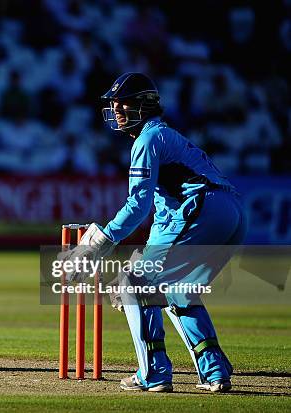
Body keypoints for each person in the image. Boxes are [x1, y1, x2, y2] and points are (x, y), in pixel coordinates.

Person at [65, 72, 246, 392]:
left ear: (144, 105)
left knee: (134, 284)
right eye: (114, 105)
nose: (117, 110)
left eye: (123, 104)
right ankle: (214, 370)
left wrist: (100, 242)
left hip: (201, 208)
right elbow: (164, 217)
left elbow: (138, 204)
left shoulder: (149, 139)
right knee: (179, 292)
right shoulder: (164, 137)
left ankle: (154, 373)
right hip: (228, 214)